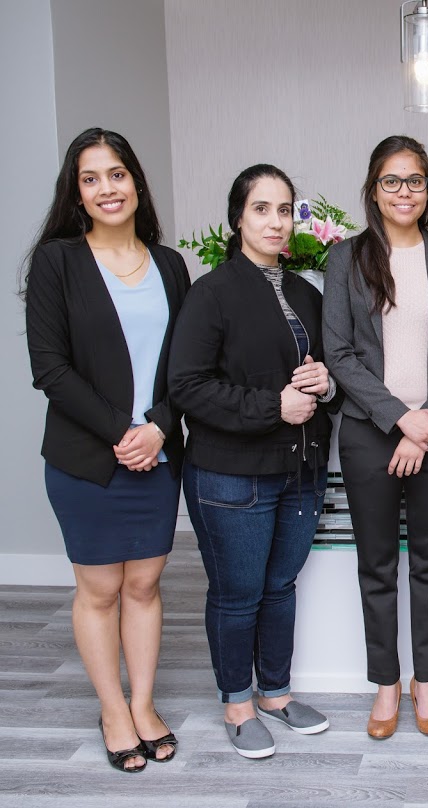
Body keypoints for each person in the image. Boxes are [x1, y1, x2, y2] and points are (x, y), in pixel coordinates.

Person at [24, 127, 190, 772]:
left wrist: (159, 428)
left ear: (135, 182)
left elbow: (186, 367)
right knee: (99, 590)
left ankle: (143, 704)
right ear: (77, 193)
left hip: (159, 452)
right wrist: (125, 432)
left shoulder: (170, 264)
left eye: (116, 174)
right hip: (87, 457)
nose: (106, 188)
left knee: (144, 585)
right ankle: (113, 710)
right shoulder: (57, 262)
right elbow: (50, 368)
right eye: (90, 179)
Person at [168, 164, 338, 759]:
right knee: (238, 593)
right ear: (237, 218)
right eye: (261, 208)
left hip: (300, 472)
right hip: (231, 476)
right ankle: (237, 704)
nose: (275, 221)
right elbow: (187, 386)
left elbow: (329, 374)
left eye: (284, 209)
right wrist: (274, 406)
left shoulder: (307, 293)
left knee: (279, 588)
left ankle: (275, 694)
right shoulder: (211, 293)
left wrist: (326, 384)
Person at [323, 135, 428, 739]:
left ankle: (425, 682)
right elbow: (338, 353)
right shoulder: (345, 259)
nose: (404, 191)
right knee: (377, 563)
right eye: (392, 180)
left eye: (415, 180)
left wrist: (426, 420)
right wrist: (398, 419)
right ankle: (386, 684)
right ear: (374, 189)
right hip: (369, 433)